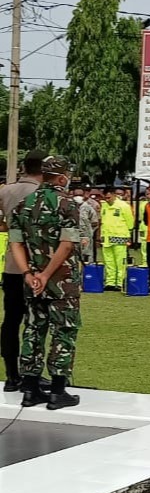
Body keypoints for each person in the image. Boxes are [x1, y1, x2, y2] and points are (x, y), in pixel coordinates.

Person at [9, 155, 80, 409]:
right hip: (62, 279)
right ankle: (58, 391)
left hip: (33, 280)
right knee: (64, 330)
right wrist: (47, 274)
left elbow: (15, 242)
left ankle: (30, 388)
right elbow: (67, 244)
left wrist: (28, 273)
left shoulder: (23, 204)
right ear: (62, 177)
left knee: (33, 328)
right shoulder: (67, 204)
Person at [0, 149, 44, 392]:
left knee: (11, 320)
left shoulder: (6, 190)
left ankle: (11, 374)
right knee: (35, 322)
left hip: (12, 266)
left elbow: (4, 223)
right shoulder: (44, 192)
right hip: (37, 267)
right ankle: (32, 374)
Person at [100, 186, 134, 291]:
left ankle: (119, 282)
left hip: (120, 236)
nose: (107, 200)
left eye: (109, 197)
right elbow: (103, 220)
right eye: (106, 198)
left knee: (120, 261)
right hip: (106, 237)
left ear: (114, 195)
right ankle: (110, 282)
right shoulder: (104, 206)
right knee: (109, 260)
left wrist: (128, 234)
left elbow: (130, 222)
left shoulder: (123, 206)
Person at [71, 187, 99, 264]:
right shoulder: (69, 207)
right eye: (76, 195)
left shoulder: (88, 208)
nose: (78, 197)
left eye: (80, 195)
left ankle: (88, 273)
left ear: (83, 196)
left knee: (87, 256)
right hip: (72, 236)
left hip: (85, 237)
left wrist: (89, 232)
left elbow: (95, 222)